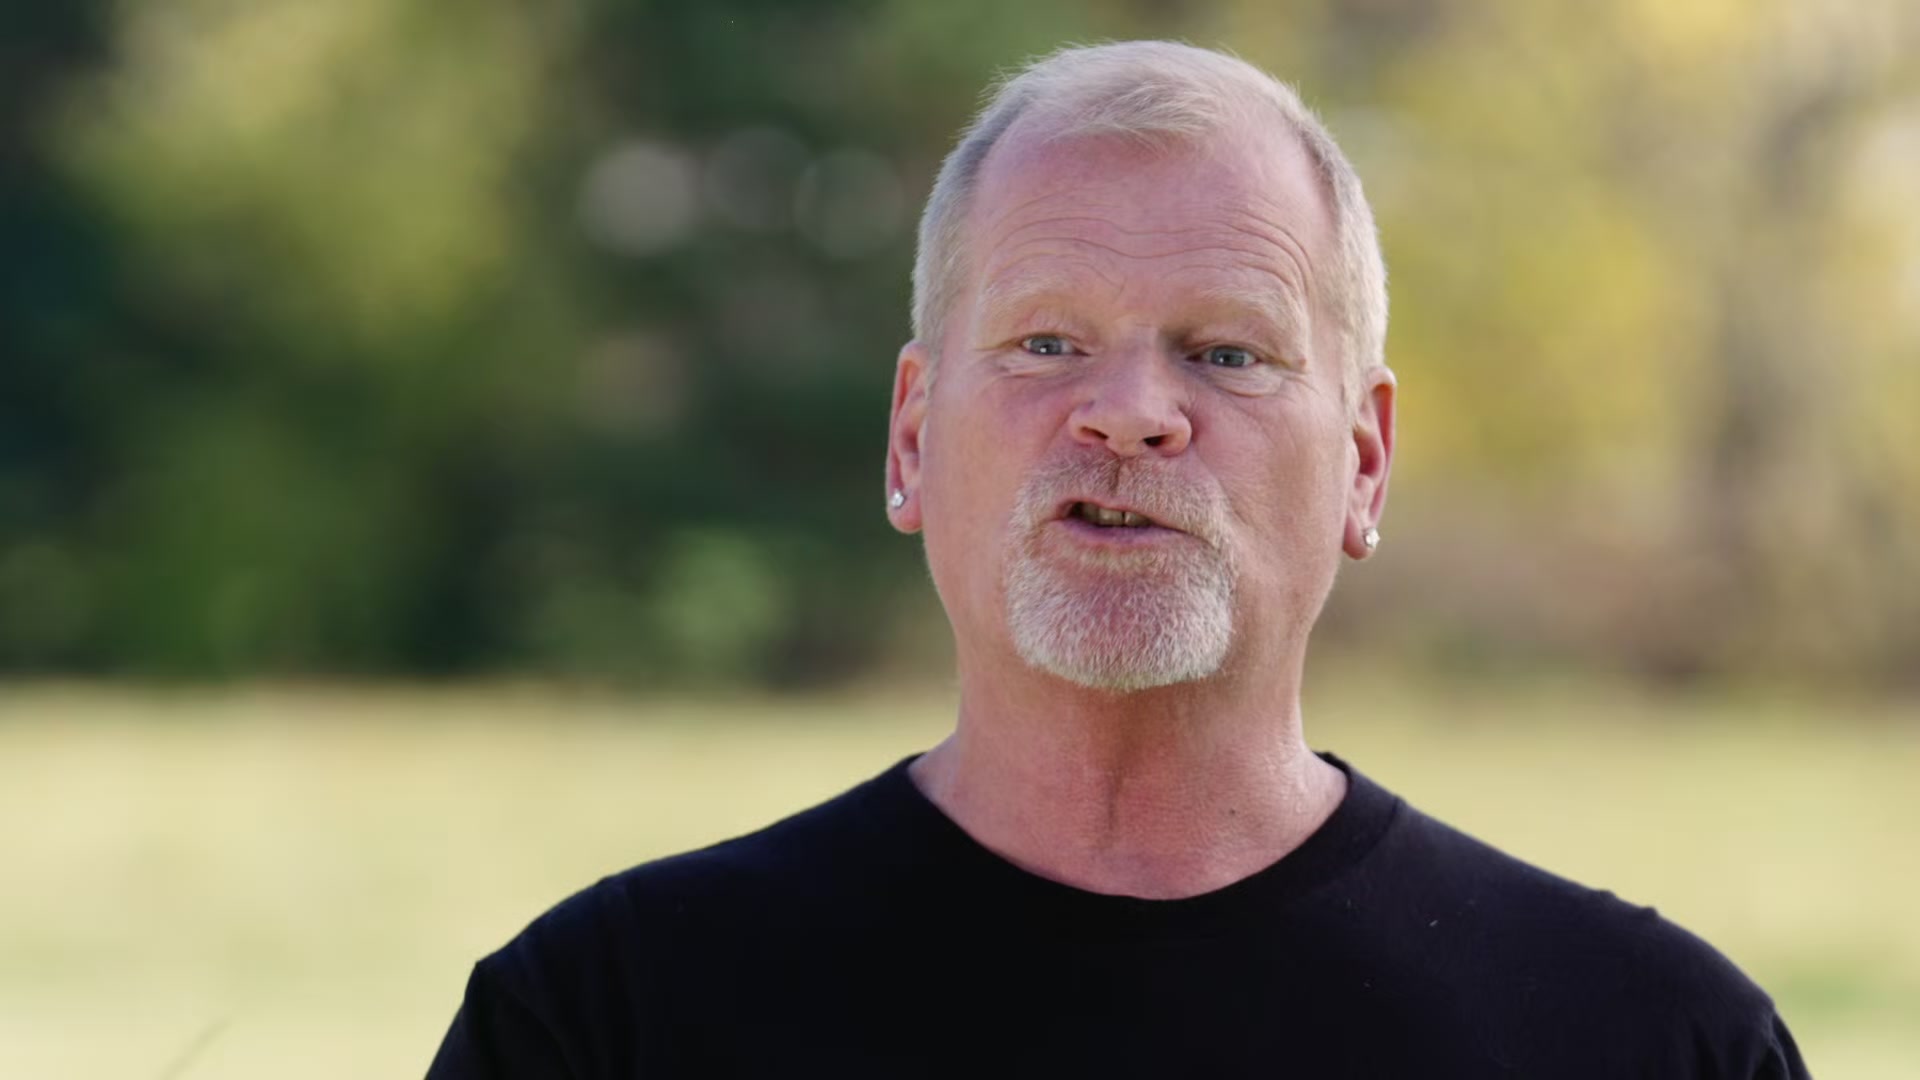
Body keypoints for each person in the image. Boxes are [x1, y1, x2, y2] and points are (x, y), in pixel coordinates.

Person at [427, 41, 1809, 1078]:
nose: (1133, 412)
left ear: (1364, 460)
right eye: (1046, 343)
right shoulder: (608, 1022)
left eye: (1228, 353)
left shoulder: (1650, 1042)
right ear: (912, 435)